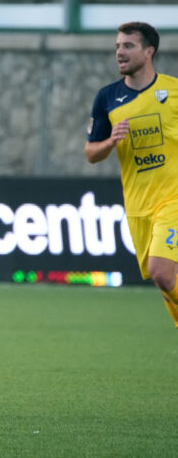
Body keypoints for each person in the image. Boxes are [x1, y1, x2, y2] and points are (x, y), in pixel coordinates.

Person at [85, 21, 178, 328]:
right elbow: (90, 153)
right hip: (139, 207)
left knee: (162, 272)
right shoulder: (107, 98)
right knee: (165, 281)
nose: (119, 53)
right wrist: (110, 142)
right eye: (117, 46)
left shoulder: (173, 91)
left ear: (149, 52)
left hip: (173, 200)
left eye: (128, 46)